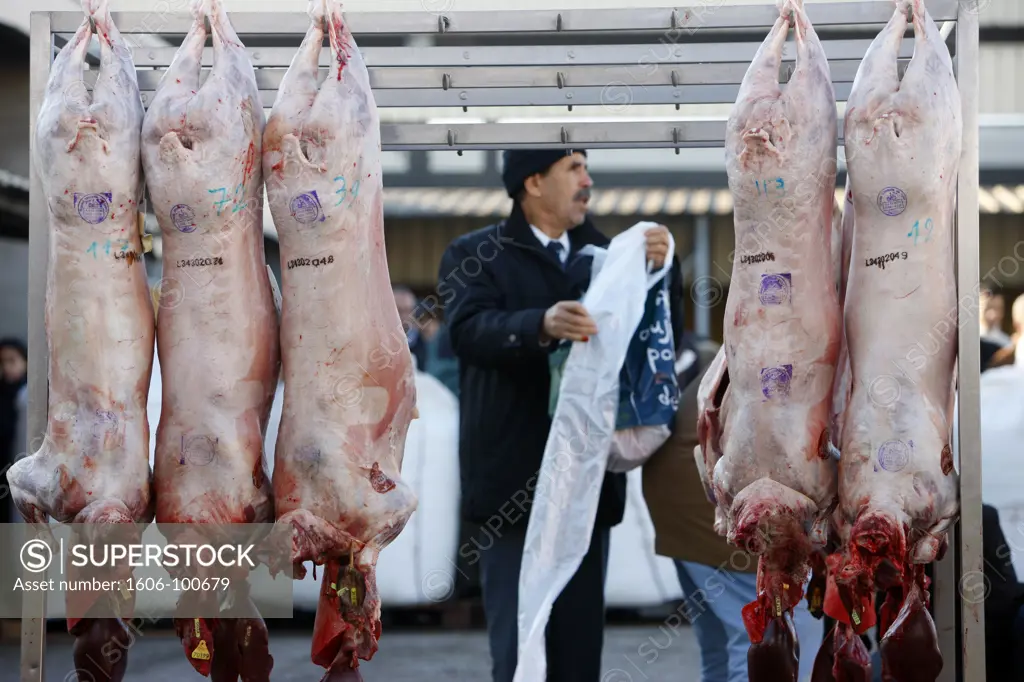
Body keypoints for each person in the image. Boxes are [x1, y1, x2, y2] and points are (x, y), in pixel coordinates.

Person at [437, 148, 684, 682]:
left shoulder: (615, 253)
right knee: (518, 647)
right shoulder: (476, 254)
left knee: (577, 657)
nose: (587, 181)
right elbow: (466, 331)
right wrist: (539, 325)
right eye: (573, 168)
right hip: (511, 490)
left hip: (586, 487)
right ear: (532, 182)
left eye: (587, 167)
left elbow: (660, 342)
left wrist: (663, 274)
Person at [642, 333, 824, 682]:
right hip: (711, 514)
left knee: (723, 645)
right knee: (769, 642)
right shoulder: (781, 353)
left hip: (679, 516)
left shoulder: (743, 346)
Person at [0, 338, 28, 525]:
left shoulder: (30, 394)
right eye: (2, 362)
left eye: (12, 361)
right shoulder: (3, 394)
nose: (7, 367)